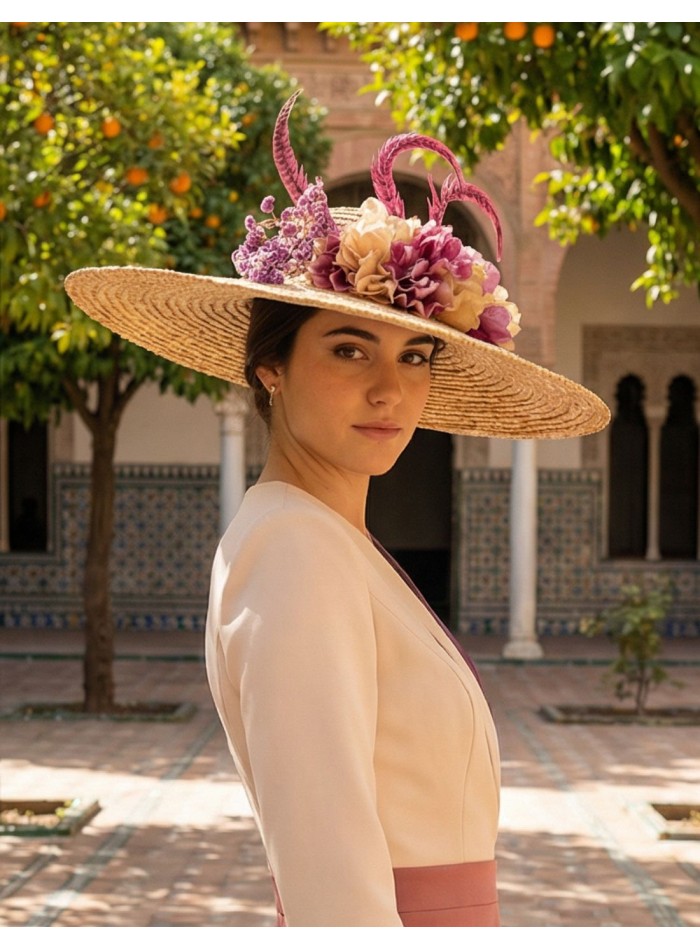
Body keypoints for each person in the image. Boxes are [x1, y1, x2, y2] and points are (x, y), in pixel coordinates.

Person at [65, 92, 609, 927]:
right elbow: (334, 891)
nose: (390, 390)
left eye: (416, 355)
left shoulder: (326, 539)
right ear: (271, 370)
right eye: (350, 349)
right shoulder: (293, 552)